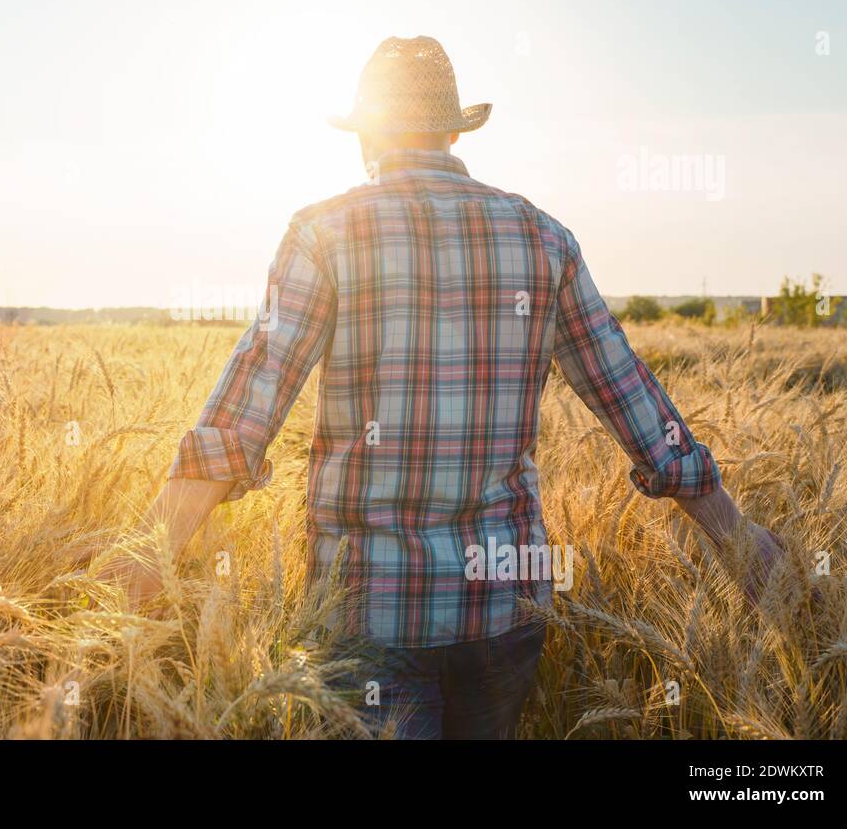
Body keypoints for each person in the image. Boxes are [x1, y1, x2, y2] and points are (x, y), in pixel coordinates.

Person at [121, 36, 783, 739]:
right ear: (452, 129)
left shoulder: (326, 234)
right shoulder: (542, 237)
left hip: (370, 612)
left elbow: (245, 413)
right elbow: (633, 399)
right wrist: (735, 535)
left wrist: (148, 554)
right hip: (507, 609)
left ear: (367, 133)